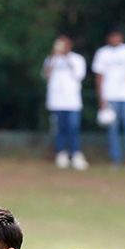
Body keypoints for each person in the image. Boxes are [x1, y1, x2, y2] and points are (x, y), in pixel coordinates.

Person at [91, 29, 125, 169]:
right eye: (112, 36)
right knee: (112, 129)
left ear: (122, 37)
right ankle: (116, 160)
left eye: (117, 36)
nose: (114, 39)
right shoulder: (102, 53)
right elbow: (99, 77)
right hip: (110, 97)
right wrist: (101, 97)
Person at [43, 35, 88, 170]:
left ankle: (75, 154)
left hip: (72, 101)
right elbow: (45, 75)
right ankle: (61, 154)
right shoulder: (51, 59)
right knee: (59, 128)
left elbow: (80, 75)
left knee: (73, 127)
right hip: (56, 100)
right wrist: (53, 56)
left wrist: (66, 57)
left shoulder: (77, 59)